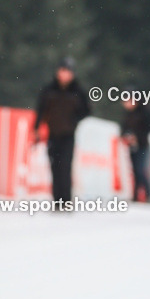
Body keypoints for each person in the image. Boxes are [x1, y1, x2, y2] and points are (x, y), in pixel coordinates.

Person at [33, 57, 90, 205]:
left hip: (68, 135)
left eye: (67, 71)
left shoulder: (78, 91)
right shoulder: (49, 90)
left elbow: (86, 110)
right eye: (62, 71)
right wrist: (36, 128)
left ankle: (66, 200)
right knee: (54, 167)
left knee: (65, 167)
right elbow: (40, 110)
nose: (64, 74)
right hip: (53, 134)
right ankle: (57, 200)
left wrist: (74, 120)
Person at [120, 92, 150, 203]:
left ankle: (148, 194)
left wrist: (136, 137)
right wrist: (126, 137)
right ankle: (135, 194)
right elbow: (123, 129)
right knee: (134, 170)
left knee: (141, 170)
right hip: (132, 146)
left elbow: (147, 128)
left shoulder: (143, 113)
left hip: (142, 145)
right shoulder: (127, 114)